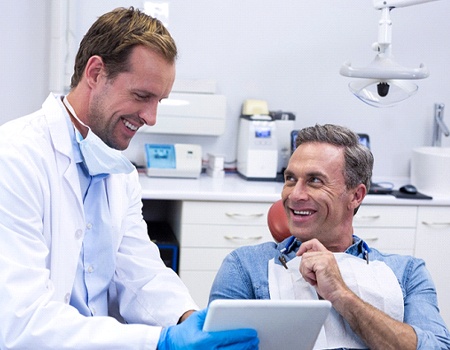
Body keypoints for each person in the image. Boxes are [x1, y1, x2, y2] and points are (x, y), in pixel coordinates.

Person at [0, 7, 258, 350]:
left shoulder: (116, 170)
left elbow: (139, 269)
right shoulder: (14, 158)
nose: (151, 118)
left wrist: (187, 318)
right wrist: (162, 341)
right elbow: (22, 323)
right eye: (141, 96)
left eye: (159, 101)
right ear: (95, 73)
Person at [209, 124, 450, 349]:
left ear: (356, 195)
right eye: (290, 179)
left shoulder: (407, 272)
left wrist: (340, 294)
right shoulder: (246, 267)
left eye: (315, 181)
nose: (295, 195)